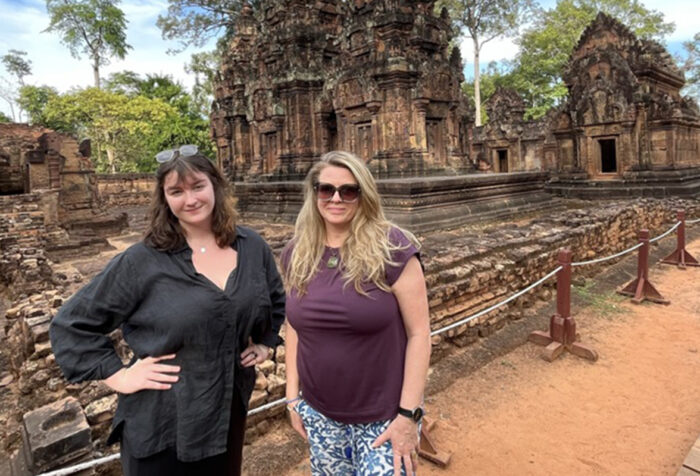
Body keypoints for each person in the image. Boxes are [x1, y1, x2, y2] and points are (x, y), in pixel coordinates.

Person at [49, 145, 284, 476]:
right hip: (162, 422)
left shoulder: (251, 246)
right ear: (165, 199)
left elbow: (273, 299)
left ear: (215, 185)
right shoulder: (142, 261)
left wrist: (265, 342)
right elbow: (71, 324)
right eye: (176, 191)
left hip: (226, 414)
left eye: (198, 186)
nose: (190, 200)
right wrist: (119, 376)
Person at [282, 151, 431, 476]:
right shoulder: (298, 252)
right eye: (326, 189)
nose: (336, 198)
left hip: (385, 415)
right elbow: (295, 325)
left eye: (348, 190)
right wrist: (292, 394)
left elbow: (420, 334)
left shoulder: (393, 249)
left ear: (364, 195)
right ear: (314, 193)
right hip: (320, 413)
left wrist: (408, 415)